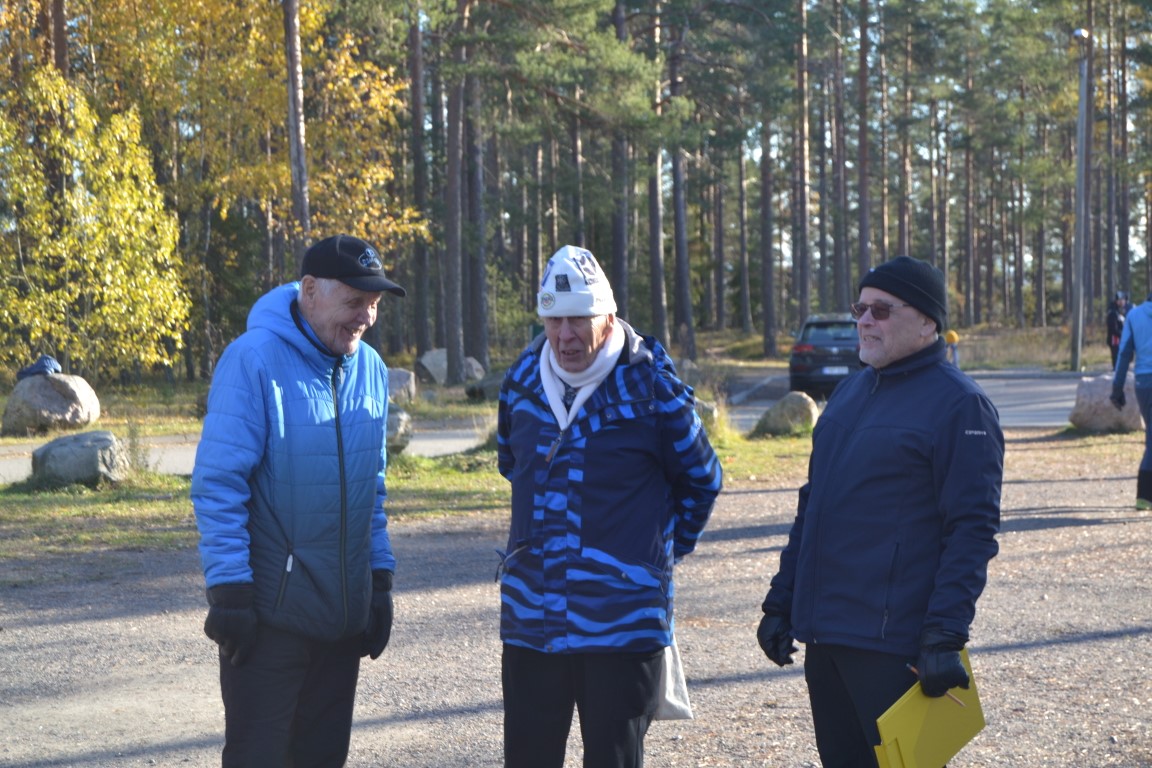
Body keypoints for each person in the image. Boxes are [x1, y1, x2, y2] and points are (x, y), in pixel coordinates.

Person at [756, 255, 1004, 767]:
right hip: (828, 635)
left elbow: (972, 530)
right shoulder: (851, 391)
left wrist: (945, 635)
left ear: (928, 323)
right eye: (860, 309)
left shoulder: (960, 405)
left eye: (882, 310)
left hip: (896, 646)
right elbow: (813, 505)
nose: (865, 321)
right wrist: (782, 602)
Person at [496, 245, 723, 768]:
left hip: (622, 622)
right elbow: (513, 464)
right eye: (554, 320)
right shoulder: (522, 381)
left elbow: (702, 479)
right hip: (532, 618)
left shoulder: (651, 386)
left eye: (579, 319)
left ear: (608, 315)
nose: (565, 336)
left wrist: (656, 556)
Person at [191, 234, 405, 767]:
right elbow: (219, 483)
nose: (365, 317)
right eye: (354, 301)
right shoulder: (252, 360)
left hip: (342, 621)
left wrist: (378, 580)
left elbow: (372, 487)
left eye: (373, 304)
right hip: (269, 622)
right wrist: (230, 592)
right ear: (310, 290)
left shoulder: (371, 369)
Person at [1110, 291, 1152, 509]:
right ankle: (1144, 496)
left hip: (1144, 384)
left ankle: (1144, 496)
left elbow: (1124, 353)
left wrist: (1117, 387)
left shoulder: (1134, 316)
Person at [1107, 291, 1129, 369]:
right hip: (1115, 341)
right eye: (1122, 299)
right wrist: (1123, 335)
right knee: (1117, 363)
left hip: (1120, 340)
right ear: (1118, 301)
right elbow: (1113, 329)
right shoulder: (1113, 312)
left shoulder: (1120, 311)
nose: (1124, 301)